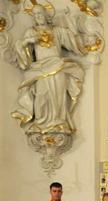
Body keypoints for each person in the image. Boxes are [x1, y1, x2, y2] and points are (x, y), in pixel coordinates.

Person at [11, 4, 85, 136]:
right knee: (41, 95)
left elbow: (73, 42)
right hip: (40, 69)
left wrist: (69, 19)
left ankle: (59, 121)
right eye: (35, 14)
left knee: (58, 95)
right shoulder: (31, 32)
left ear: (46, 15)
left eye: (40, 13)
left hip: (57, 66)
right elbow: (21, 53)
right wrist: (27, 41)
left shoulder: (57, 31)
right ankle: (41, 122)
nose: (37, 16)